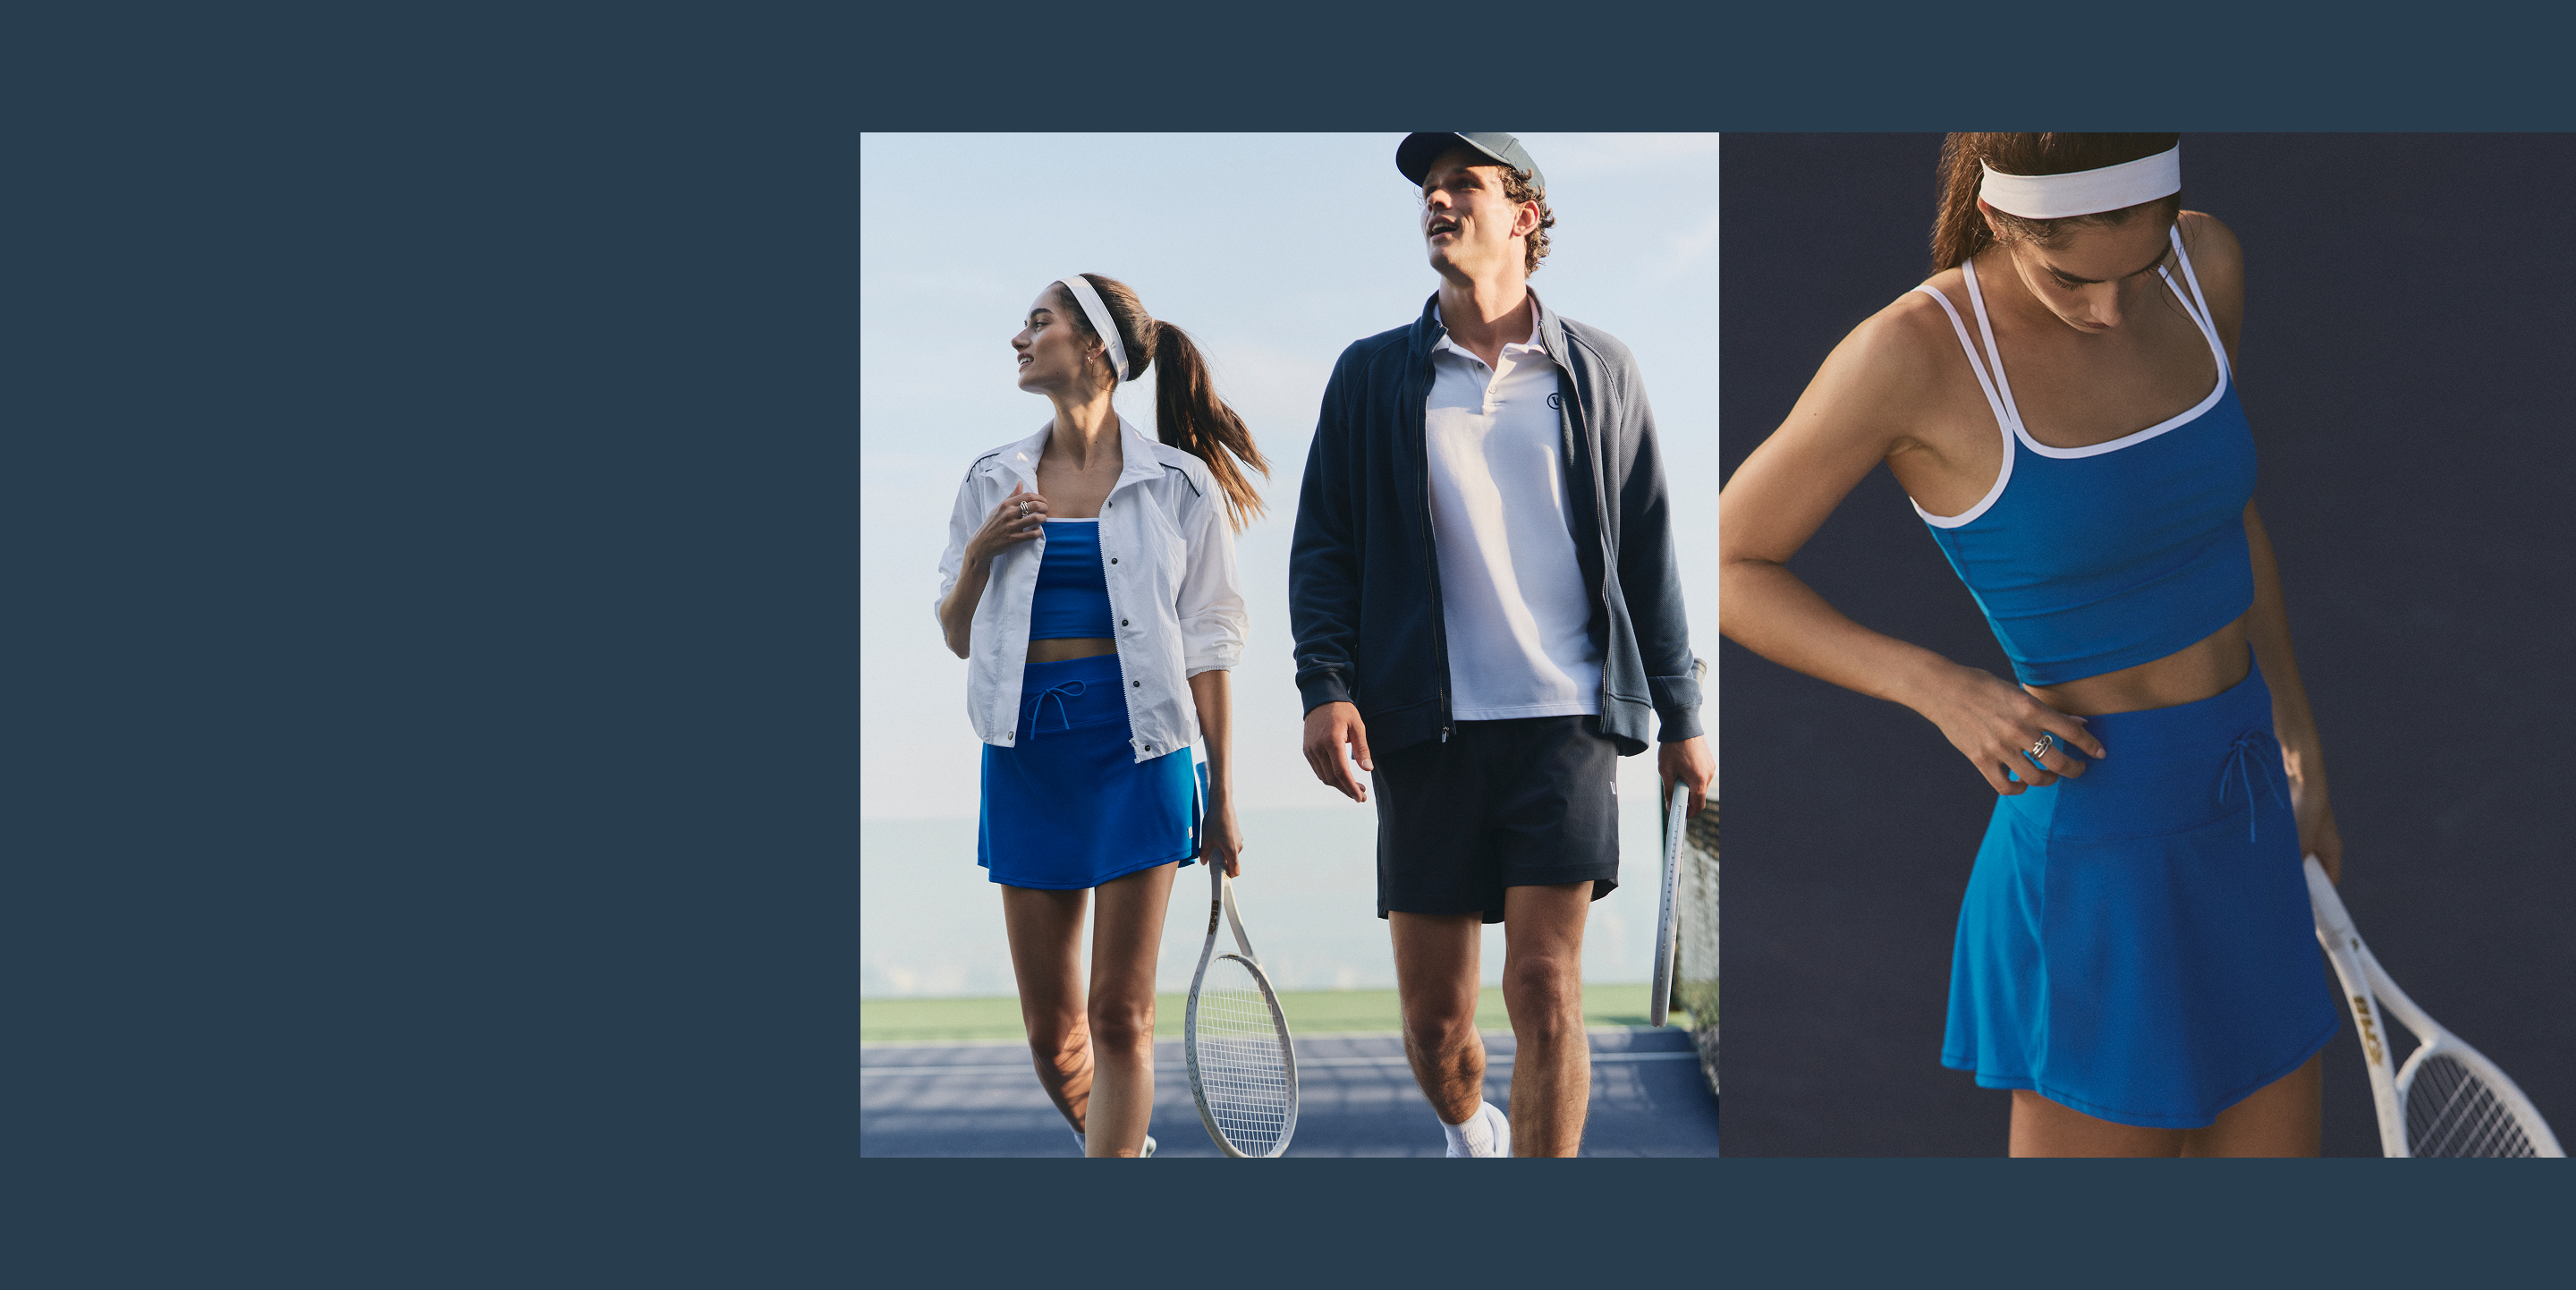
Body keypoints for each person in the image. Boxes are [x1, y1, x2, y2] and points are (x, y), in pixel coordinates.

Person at [1716, 134, 2343, 1157]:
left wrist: (2297, 733)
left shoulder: (2205, 263)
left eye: (2138, 267)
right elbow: (1729, 561)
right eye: (2070, 277)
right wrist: (1936, 686)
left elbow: (2222, 516)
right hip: (2099, 847)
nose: (2110, 310)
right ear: (1999, 218)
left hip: (2247, 806)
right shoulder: (1912, 353)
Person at [1290, 133, 1714, 1158]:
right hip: (1421, 726)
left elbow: (1648, 547)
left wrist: (1684, 717)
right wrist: (1324, 684)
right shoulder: (1369, 375)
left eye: (1463, 186)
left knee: (1544, 983)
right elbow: (1324, 546)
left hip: (1567, 720)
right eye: (1429, 190)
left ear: (1525, 214)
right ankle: (1468, 1130)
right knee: (1438, 1026)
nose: (1438, 202)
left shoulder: (1600, 368)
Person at [935, 273, 1266, 1158]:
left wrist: (1224, 793)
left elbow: (1210, 646)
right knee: (1055, 1038)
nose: (1020, 338)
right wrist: (980, 553)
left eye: (1037, 322)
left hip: (1141, 757)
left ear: (1092, 349)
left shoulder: (1181, 485)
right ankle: (1122, 1147)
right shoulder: (990, 479)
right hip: (1027, 760)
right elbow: (957, 633)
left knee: (1121, 1014)